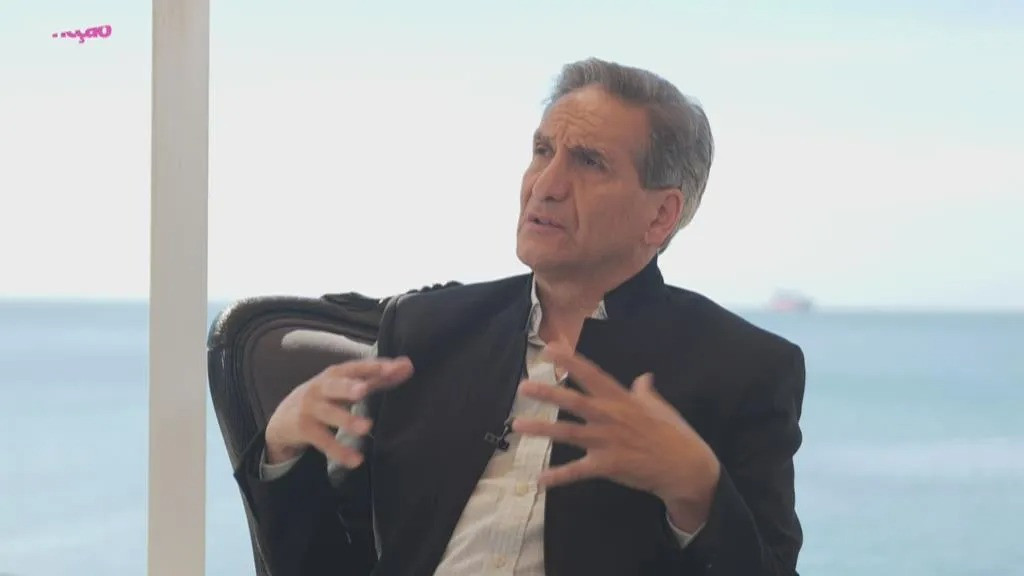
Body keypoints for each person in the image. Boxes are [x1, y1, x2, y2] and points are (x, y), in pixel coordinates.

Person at [235, 57, 806, 576]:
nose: (546, 186)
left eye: (589, 162)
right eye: (542, 151)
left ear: (660, 216)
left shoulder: (743, 369)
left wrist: (698, 492)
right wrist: (283, 452)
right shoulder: (426, 331)